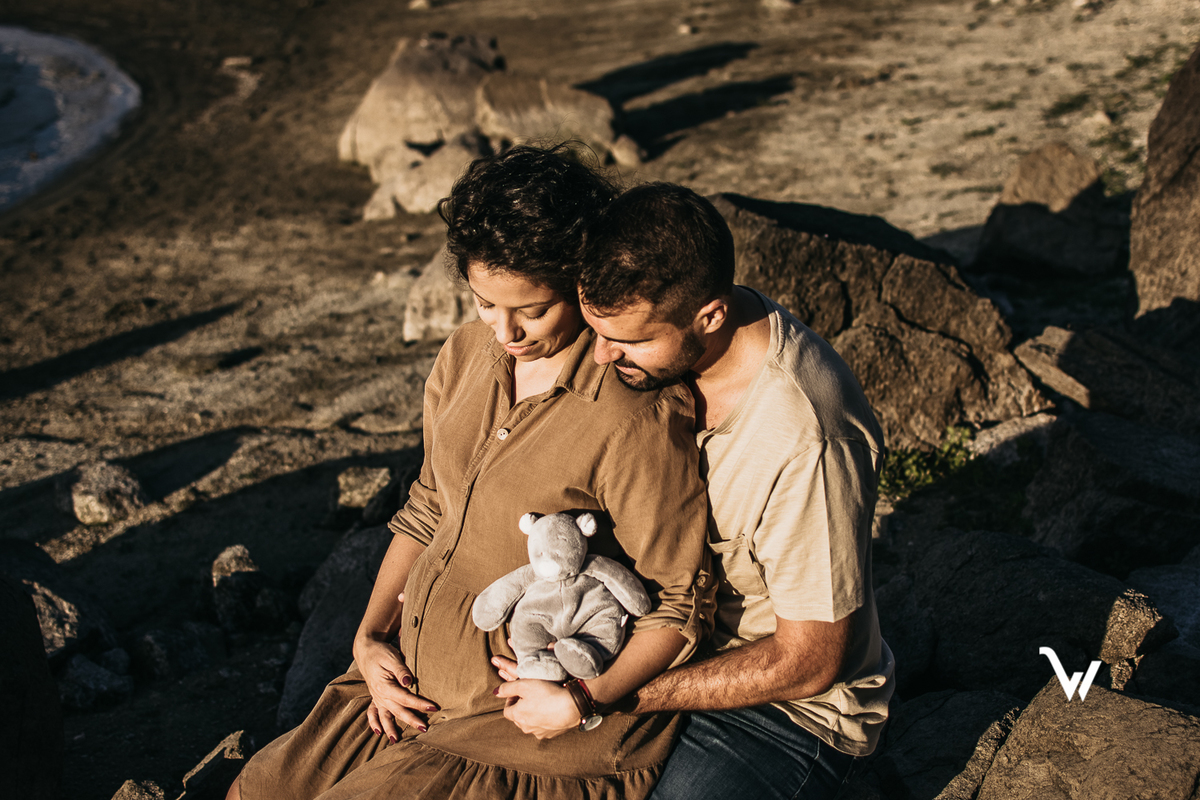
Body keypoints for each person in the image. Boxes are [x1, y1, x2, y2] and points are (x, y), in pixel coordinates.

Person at [227, 148, 713, 800]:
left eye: (532, 310)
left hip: (525, 728)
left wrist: (578, 697)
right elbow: (428, 506)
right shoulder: (464, 353)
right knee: (259, 790)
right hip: (408, 684)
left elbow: (679, 604)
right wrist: (369, 641)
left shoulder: (633, 415)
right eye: (485, 302)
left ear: (583, 285)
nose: (504, 331)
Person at [542, 182, 892, 799]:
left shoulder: (806, 440)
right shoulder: (657, 350)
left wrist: (605, 696)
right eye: (599, 330)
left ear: (709, 316)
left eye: (629, 340)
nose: (600, 356)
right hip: (644, 646)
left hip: (782, 715)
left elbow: (810, 659)